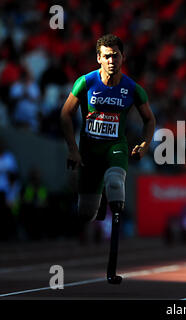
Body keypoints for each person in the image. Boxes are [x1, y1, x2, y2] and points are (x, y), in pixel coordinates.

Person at [60, 34, 156, 282]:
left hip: (116, 148)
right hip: (89, 152)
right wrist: (73, 149)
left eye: (115, 55)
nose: (111, 60)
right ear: (98, 58)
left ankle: (111, 270)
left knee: (115, 183)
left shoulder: (132, 89)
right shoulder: (86, 82)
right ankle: (99, 198)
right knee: (86, 214)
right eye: (106, 56)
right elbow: (65, 114)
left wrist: (144, 144)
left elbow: (149, 119)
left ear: (122, 57)